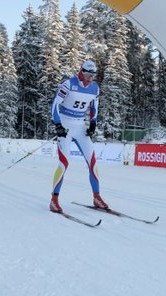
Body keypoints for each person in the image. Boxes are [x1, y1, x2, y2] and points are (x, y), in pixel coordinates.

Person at [49, 60, 109, 213]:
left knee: (93, 162)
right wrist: (58, 125)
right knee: (63, 163)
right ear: (81, 72)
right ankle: (54, 199)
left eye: (93, 76)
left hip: (80, 126)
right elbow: (56, 104)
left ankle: (97, 196)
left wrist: (93, 123)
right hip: (66, 125)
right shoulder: (69, 84)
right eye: (88, 75)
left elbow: (94, 106)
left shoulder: (95, 88)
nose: (90, 78)